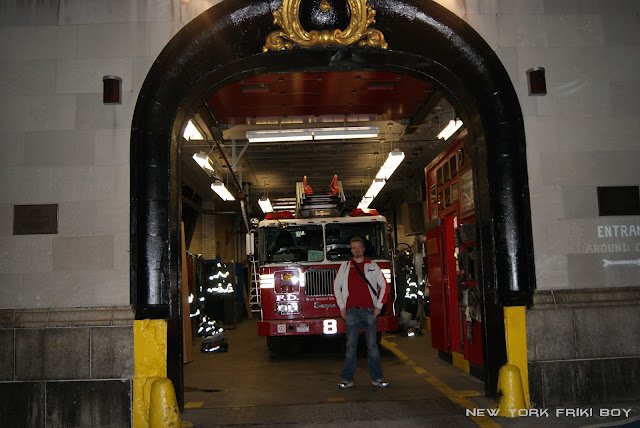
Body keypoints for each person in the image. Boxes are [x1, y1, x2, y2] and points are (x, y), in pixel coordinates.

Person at [333, 236, 389, 389]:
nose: (357, 250)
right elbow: (336, 286)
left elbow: (384, 286)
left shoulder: (373, 265)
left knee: (372, 346)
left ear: (363, 249)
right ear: (351, 250)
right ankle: (347, 379)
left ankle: (378, 378)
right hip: (351, 312)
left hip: (370, 311)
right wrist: (342, 307)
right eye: (354, 248)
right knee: (351, 347)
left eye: (359, 247)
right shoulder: (344, 267)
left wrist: (378, 306)